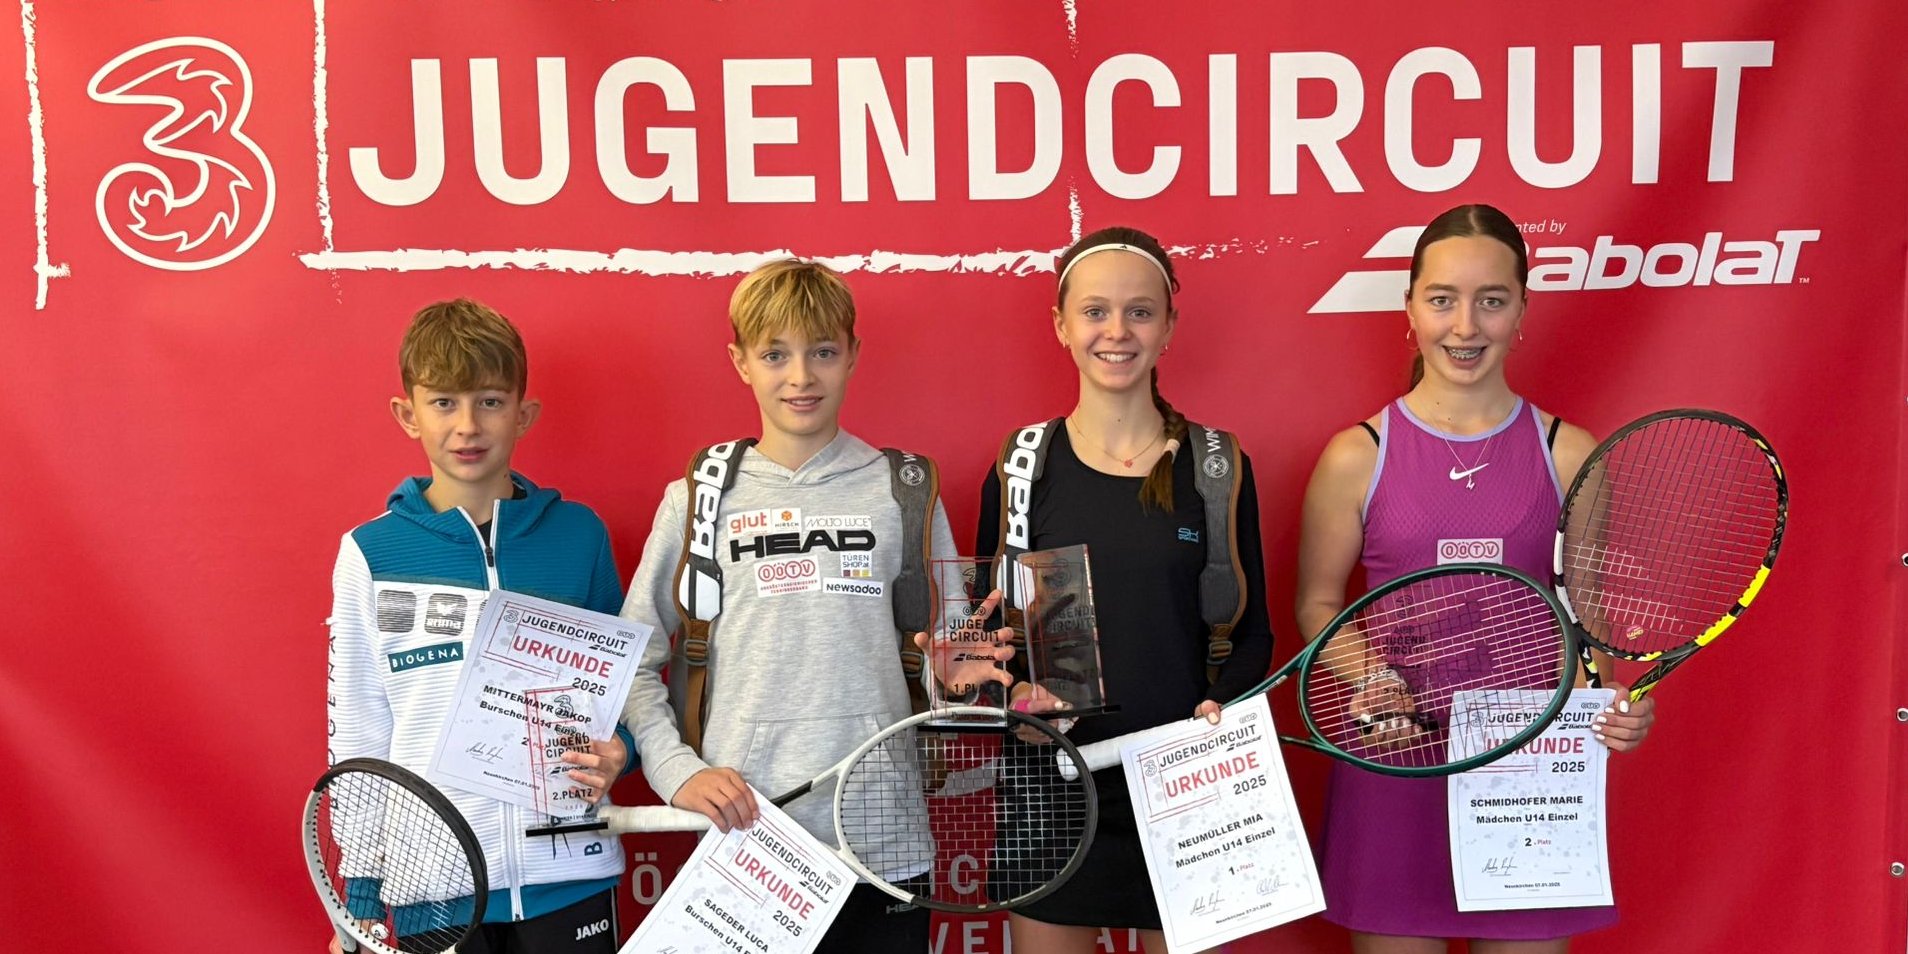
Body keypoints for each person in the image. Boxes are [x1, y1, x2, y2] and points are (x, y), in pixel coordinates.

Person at [1295, 203, 1657, 954]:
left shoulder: (1569, 454)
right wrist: (1372, 679)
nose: (1465, 325)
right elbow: (1318, 604)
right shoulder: (1356, 456)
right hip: (1396, 760)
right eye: (1442, 299)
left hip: (1528, 774)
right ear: (1409, 308)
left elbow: (1587, 623)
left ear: (1521, 310)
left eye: (1491, 300)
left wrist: (1609, 703)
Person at [617, 259, 984, 951]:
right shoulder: (697, 498)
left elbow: (955, 656)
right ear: (740, 362)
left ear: (853, 354)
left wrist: (958, 682)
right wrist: (676, 771)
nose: (801, 377)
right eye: (775, 355)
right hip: (746, 840)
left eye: (822, 352)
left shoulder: (905, 490)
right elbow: (631, 661)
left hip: (884, 839)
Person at [974, 226, 1276, 953]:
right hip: (1052, 785)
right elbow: (982, 633)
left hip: (1189, 785)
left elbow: (1254, 631)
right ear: (1061, 325)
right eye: (1095, 311)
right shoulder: (1021, 468)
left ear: (1169, 325)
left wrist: (1221, 708)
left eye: (1140, 312)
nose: (1117, 331)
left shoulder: (1216, 467)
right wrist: (1009, 699)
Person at [325, 299, 633, 952]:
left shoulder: (579, 535)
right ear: (407, 414)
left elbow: (626, 690)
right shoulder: (370, 553)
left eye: (490, 402)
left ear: (523, 414)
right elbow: (358, 732)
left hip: (569, 878)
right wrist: (358, 901)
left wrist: (623, 751)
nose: (468, 425)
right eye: (444, 403)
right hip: (432, 889)